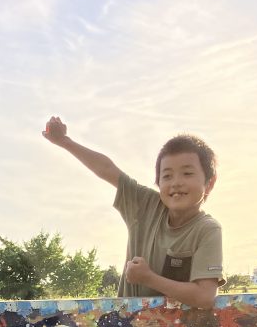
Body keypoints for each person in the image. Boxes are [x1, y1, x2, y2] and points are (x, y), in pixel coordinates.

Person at [42, 116, 223, 309]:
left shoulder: (207, 229)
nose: (176, 182)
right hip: (127, 325)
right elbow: (107, 169)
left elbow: (205, 296)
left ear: (209, 183)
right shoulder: (145, 205)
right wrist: (64, 141)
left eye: (187, 173)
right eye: (167, 176)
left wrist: (149, 278)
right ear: (158, 183)